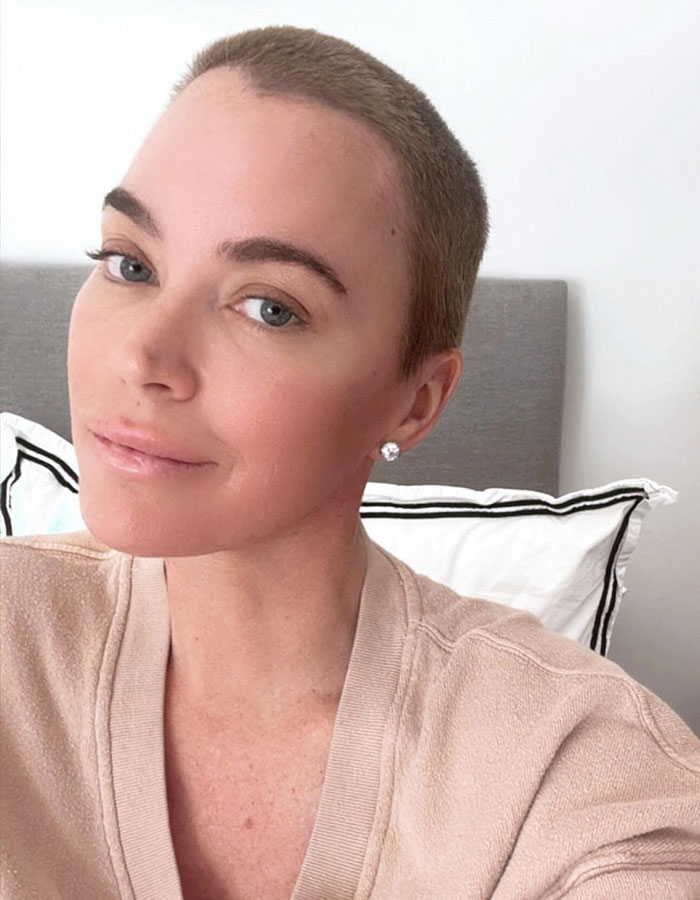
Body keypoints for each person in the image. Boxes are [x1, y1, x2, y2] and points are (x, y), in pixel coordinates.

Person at [1, 24, 698, 900]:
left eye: (271, 308)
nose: (142, 357)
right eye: (130, 264)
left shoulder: (570, 766)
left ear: (416, 400)